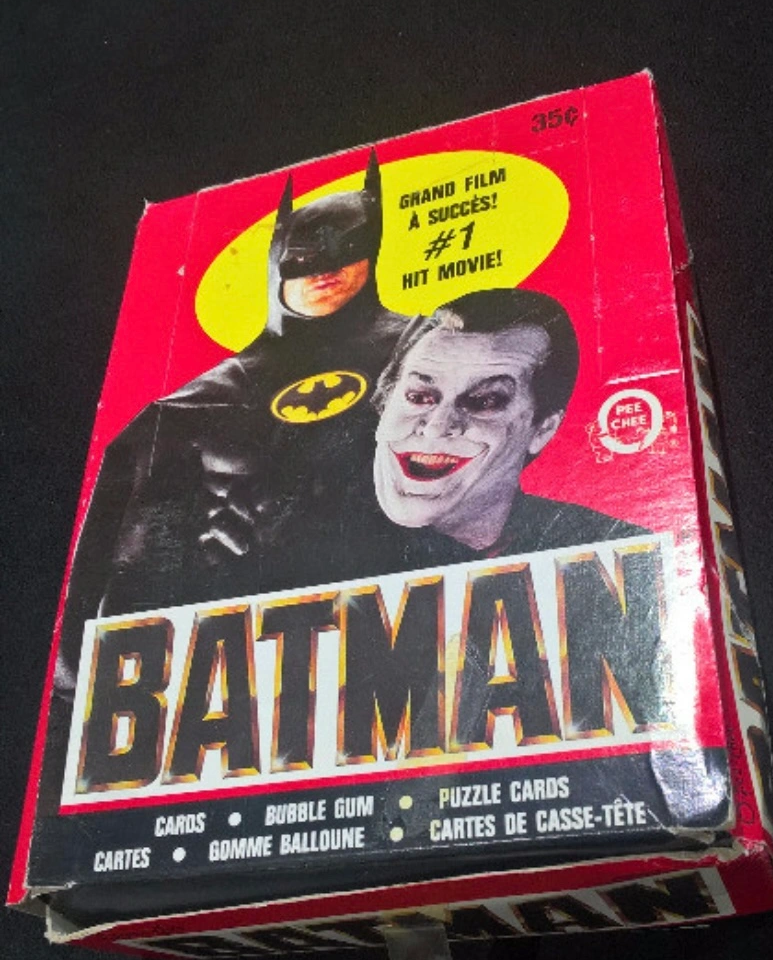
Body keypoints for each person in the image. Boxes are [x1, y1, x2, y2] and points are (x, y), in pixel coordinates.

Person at [54, 152, 407, 696]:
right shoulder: (186, 409)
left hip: (388, 642)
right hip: (234, 669)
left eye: (347, 247)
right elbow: (110, 569)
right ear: (278, 262)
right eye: (304, 258)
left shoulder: (431, 355)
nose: (325, 269)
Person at [370, 288, 644, 567]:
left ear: (543, 430)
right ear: (384, 402)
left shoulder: (617, 550)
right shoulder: (340, 549)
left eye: (484, 402)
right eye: (418, 397)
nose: (436, 427)